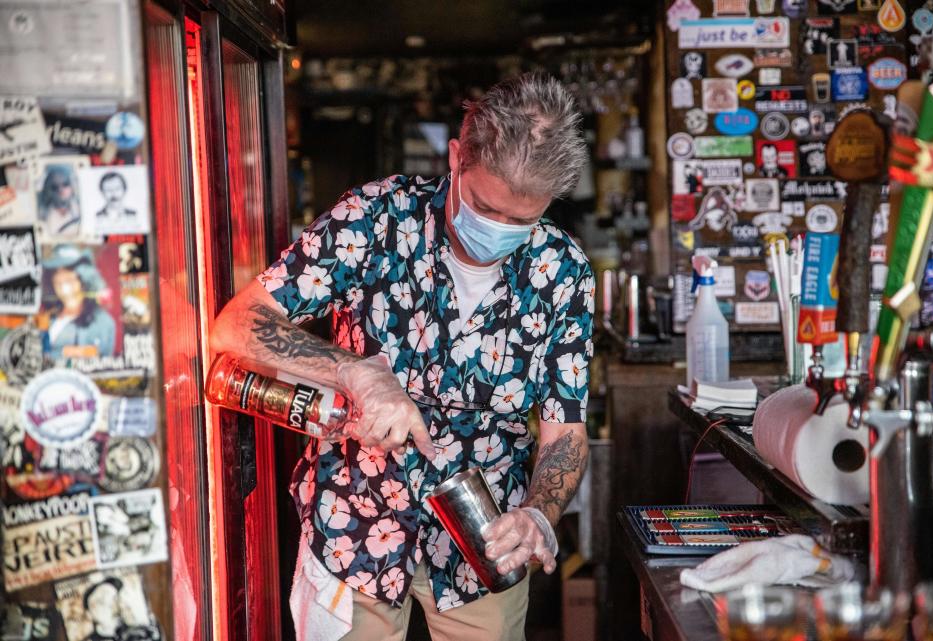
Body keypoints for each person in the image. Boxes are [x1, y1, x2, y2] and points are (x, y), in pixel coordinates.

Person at [210, 72, 593, 641]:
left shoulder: (564, 272)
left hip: (482, 544)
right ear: (457, 157)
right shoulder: (374, 218)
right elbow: (237, 325)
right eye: (487, 208)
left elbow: (565, 435)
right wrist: (354, 372)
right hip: (353, 525)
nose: (500, 231)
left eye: (522, 221)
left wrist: (539, 512)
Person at [42, 245, 116, 359]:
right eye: (57, 283)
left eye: (69, 281)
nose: (64, 289)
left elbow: (97, 357)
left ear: (85, 282)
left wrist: (63, 352)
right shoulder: (49, 317)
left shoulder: (102, 322)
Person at [81, 576, 159, 641]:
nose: (108, 603)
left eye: (114, 598)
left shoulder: (141, 627)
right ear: (89, 614)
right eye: (100, 601)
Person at [38, 165, 81, 237]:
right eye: (54, 187)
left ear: (72, 187)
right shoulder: (42, 214)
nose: (60, 190)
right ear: (48, 191)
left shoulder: (81, 210)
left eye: (65, 184)